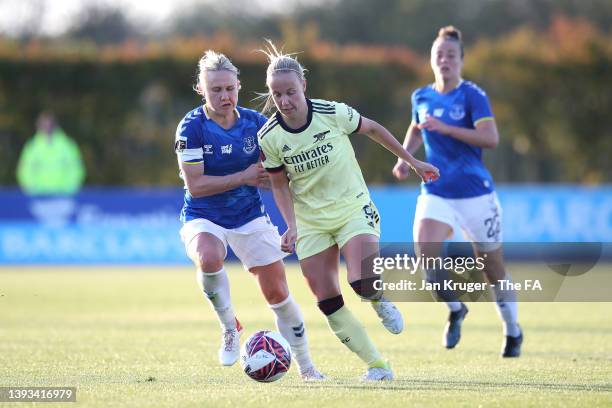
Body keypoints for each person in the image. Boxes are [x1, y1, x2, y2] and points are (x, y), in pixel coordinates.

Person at [258, 41, 440, 381]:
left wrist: (411, 160)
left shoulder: (332, 113)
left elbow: (372, 129)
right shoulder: (269, 136)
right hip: (311, 221)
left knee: (362, 281)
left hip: (352, 207)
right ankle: (377, 366)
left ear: (303, 86)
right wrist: (291, 225)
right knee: (326, 300)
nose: (284, 101)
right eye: (276, 94)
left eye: (290, 92)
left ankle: (378, 298)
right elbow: (279, 184)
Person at [174, 50, 324, 380]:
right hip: (203, 216)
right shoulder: (191, 128)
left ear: (238, 86)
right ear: (202, 90)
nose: (224, 96)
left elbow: (278, 177)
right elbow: (196, 186)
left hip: (249, 216)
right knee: (208, 256)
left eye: (229, 88)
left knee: (278, 294)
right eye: (216, 90)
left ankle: (308, 368)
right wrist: (244, 176)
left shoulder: (257, 124)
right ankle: (230, 327)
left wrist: (291, 201)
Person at [392, 26, 523, 357]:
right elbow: (416, 127)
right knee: (426, 254)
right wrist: (406, 158)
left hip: (475, 193)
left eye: (451, 55)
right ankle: (455, 308)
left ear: (461, 60)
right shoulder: (421, 96)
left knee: (492, 266)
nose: (445, 60)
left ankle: (512, 330)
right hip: (436, 190)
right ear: (431, 60)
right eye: (439, 55)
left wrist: (448, 129)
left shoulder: (472, 96)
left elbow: (490, 139)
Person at [16, 112, 85, 196]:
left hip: (64, 194)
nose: (46, 127)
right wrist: (30, 189)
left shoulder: (68, 145)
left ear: (55, 125)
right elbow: (24, 170)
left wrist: (71, 189)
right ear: (38, 126)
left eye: (49, 124)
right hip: (38, 195)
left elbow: (77, 168)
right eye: (43, 124)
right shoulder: (32, 147)